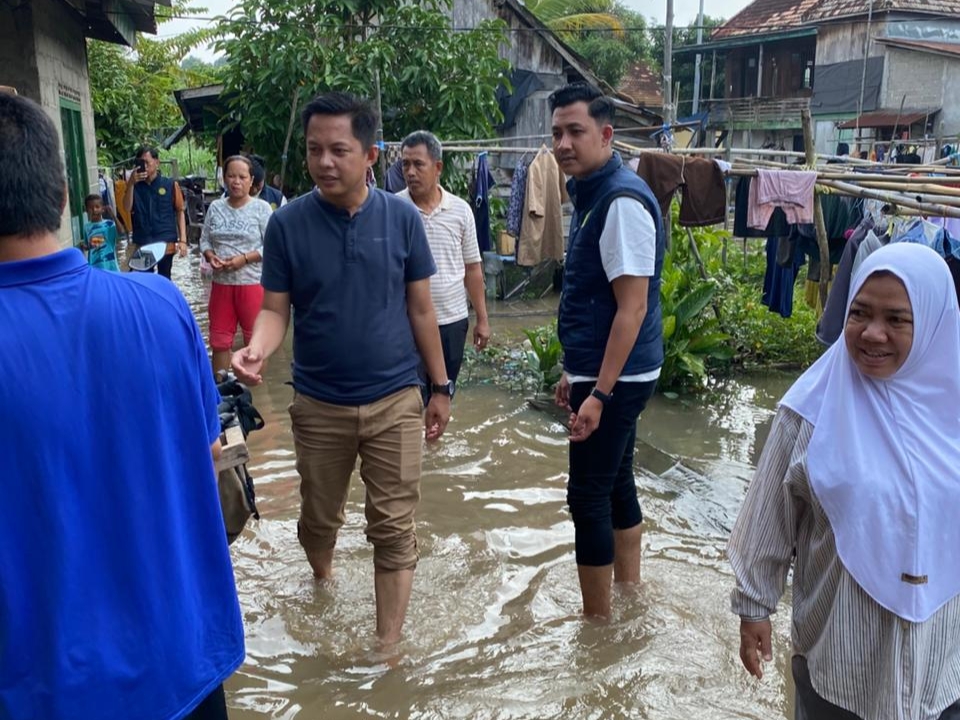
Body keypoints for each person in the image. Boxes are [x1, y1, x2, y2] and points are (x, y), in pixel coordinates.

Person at [0, 93, 243, 720]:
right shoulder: (162, 310)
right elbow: (213, 458)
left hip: (45, 689)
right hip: (181, 668)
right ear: (62, 196)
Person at [231, 91, 452, 646]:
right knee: (318, 520)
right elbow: (276, 311)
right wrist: (256, 347)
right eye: (314, 150)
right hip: (319, 402)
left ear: (371, 153)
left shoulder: (402, 219)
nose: (324, 162)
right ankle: (323, 579)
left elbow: (421, 308)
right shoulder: (286, 226)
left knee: (395, 527)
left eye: (338, 150)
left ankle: (387, 652)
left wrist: (441, 386)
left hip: (396, 396)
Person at [729, 242, 960, 720]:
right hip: (840, 657)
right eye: (859, 313)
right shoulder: (810, 412)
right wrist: (754, 606)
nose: (872, 334)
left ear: (936, 322)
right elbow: (768, 518)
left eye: (897, 319)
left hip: (944, 661)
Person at [549, 82, 666, 619]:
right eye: (557, 132)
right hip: (607, 372)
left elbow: (632, 309)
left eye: (576, 131)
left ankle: (595, 624)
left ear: (606, 134)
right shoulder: (595, 192)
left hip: (617, 378)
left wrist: (597, 392)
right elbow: (593, 298)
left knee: (587, 495)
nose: (564, 143)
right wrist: (573, 373)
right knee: (616, 480)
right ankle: (629, 592)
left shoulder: (619, 201)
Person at [397, 130, 491, 402]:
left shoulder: (460, 210)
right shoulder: (394, 208)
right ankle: (414, 444)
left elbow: (472, 269)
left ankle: (436, 444)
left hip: (451, 321)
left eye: (418, 164)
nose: (410, 172)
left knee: (443, 394)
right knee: (410, 396)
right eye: (405, 165)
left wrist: (483, 320)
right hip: (406, 322)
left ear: (437, 167)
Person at [200, 155, 273, 374]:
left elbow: (272, 246)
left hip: (251, 284)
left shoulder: (261, 209)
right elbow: (204, 239)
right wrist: (210, 255)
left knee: (256, 342)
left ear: (252, 181)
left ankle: (257, 395)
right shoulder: (215, 207)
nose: (236, 181)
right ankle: (222, 396)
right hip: (221, 284)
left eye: (242, 177)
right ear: (224, 179)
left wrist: (244, 259)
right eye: (231, 176)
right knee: (220, 341)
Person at [123, 145, 188, 279]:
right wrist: (130, 184)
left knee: (165, 278)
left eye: (147, 162)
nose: (144, 166)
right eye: (141, 163)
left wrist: (183, 240)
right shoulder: (135, 187)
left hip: (166, 242)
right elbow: (127, 208)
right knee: (144, 280)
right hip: (143, 241)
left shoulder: (169, 184)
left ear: (157, 162)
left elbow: (180, 211)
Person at [81, 193, 120, 272]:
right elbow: (89, 246)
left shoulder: (109, 224)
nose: (94, 210)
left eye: (97, 207)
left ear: (102, 209)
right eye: (90, 208)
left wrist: (113, 216)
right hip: (94, 268)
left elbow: (122, 233)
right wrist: (84, 247)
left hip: (110, 266)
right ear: (86, 210)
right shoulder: (86, 227)